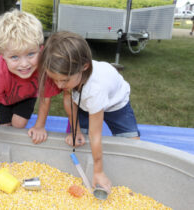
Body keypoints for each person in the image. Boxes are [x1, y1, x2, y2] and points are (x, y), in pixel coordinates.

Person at [36, 31, 140, 193]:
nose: (59, 85)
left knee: (132, 143)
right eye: (55, 79)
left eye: (63, 80)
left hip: (117, 104)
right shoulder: (69, 75)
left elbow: (95, 134)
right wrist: (75, 127)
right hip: (83, 101)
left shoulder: (95, 89)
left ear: (84, 67)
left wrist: (98, 171)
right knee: (78, 138)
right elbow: (68, 100)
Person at [0, 9, 60, 168]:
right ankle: (7, 159)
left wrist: (40, 126)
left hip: (27, 96)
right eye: (14, 57)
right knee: (5, 130)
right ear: (2, 54)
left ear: (40, 47)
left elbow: (45, 97)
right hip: (4, 99)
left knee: (19, 125)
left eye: (31, 54)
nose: (24, 64)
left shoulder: (44, 64)